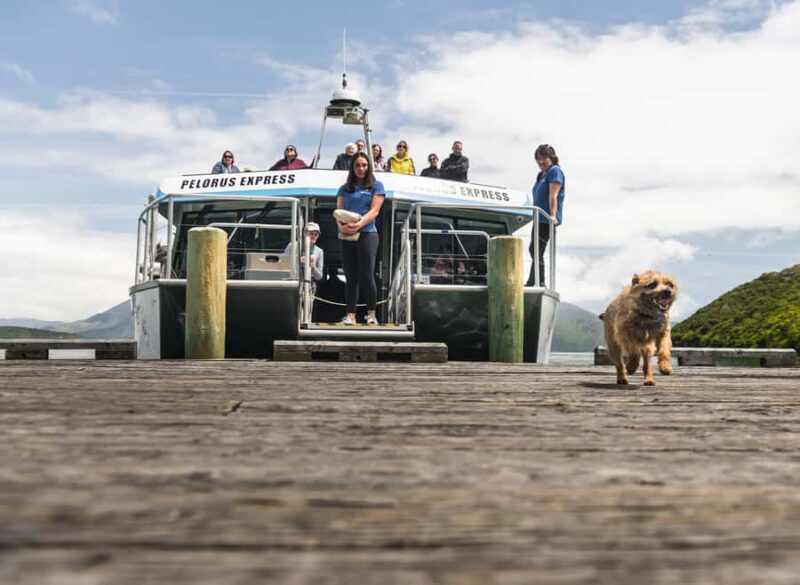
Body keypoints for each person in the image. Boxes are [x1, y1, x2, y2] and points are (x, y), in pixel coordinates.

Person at [336, 152, 385, 325]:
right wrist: (341, 226)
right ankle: (350, 315)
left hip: (368, 233)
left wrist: (358, 225)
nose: (361, 168)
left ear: (369, 166)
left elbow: (375, 211)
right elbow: (339, 211)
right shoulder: (344, 188)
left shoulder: (376, 186)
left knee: (367, 275)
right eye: (357, 165)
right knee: (351, 276)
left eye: (364, 165)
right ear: (353, 167)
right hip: (347, 234)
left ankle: (371, 314)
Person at [526, 144, 565, 287]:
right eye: (538, 159)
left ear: (552, 158)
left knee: (537, 249)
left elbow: (553, 196)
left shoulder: (555, 171)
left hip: (546, 219)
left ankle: (538, 282)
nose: (541, 162)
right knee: (534, 249)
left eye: (544, 158)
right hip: (538, 218)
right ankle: (533, 281)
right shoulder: (541, 175)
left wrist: (552, 216)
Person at [285, 222, 324, 310]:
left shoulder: (319, 251)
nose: (313, 236)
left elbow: (319, 277)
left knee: (307, 310)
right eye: (311, 233)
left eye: (316, 234)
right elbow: (283, 266)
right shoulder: (292, 245)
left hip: (309, 286)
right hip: (293, 284)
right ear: (304, 233)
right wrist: (297, 261)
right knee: (292, 309)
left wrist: (313, 267)